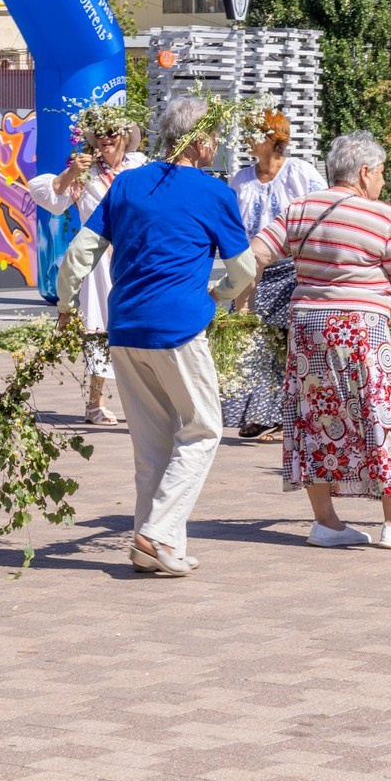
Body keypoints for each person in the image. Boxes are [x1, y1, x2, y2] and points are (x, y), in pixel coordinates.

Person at [58, 96, 255, 576]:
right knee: (203, 429)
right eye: (214, 137)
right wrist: (219, 294)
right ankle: (158, 533)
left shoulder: (127, 183)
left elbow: (80, 252)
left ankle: (160, 550)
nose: (216, 146)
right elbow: (244, 270)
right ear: (200, 141)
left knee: (151, 447)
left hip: (125, 328)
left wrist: (65, 305)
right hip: (179, 328)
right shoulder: (213, 192)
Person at [248, 131, 391, 548]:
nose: (383, 182)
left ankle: (327, 523)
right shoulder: (382, 217)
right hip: (360, 329)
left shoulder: (299, 209)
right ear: (365, 172)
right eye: (382, 173)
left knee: (315, 418)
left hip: (307, 330)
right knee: (381, 416)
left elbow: (256, 254)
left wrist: (236, 298)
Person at [28, 103, 148, 422]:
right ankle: (95, 403)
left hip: (135, 258)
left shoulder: (140, 168)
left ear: (125, 137)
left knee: (140, 326)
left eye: (112, 132)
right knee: (99, 327)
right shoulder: (85, 172)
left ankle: (145, 404)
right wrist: (71, 172)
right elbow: (51, 198)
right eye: (100, 133)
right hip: (97, 263)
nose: (106, 138)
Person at [222, 111, 323, 440]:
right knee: (251, 342)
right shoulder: (241, 180)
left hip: (292, 270)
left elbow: (323, 212)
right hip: (251, 270)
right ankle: (259, 414)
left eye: (252, 133)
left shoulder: (300, 172)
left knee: (285, 344)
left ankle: (280, 418)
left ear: (271, 137)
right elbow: (231, 228)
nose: (246, 139)